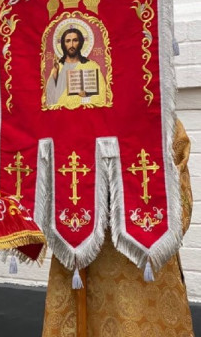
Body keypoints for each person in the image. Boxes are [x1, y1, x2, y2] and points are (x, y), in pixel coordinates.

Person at [42, 118, 194, 336]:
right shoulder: (71, 119)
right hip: (80, 254)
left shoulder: (158, 117)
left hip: (145, 268)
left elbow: (180, 204)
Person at [46, 27, 106, 108]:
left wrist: (86, 97)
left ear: (80, 42)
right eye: (68, 41)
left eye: (75, 40)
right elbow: (50, 100)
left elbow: (101, 98)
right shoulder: (58, 67)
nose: (71, 45)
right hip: (61, 114)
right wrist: (55, 76)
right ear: (63, 44)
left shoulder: (91, 66)